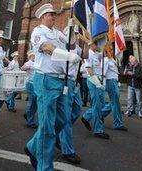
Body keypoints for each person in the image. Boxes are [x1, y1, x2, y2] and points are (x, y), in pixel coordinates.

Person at [24, 4, 81, 170]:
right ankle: (44, 166)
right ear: (42, 17)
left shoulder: (57, 33)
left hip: (61, 80)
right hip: (46, 80)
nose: (54, 17)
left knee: (63, 119)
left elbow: (70, 44)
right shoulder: (38, 32)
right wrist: (68, 55)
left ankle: (33, 145)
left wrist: (71, 30)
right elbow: (47, 48)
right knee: (48, 125)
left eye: (54, 14)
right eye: (50, 14)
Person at [57, 27, 83, 164]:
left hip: (75, 82)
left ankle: (57, 132)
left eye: (77, 35)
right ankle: (67, 150)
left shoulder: (78, 48)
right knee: (66, 116)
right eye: (74, 34)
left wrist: (87, 39)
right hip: (65, 81)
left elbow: (85, 56)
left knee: (77, 110)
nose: (76, 37)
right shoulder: (62, 46)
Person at [80, 41, 110, 139]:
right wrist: (98, 83)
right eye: (96, 44)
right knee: (97, 105)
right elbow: (89, 70)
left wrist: (106, 43)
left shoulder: (96, 54)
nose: (98, 46)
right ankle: (98, 130)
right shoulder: (89, 54)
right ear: (91, 45)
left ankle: (86, 116)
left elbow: (104, 54)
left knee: (101, 104)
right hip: (93, 81)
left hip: (98, 81)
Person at [101, 54, 128, 130]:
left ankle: (100, 114)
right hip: (110, 81)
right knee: (115, 103)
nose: (111, 51)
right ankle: (117, 123)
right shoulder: (106, 60)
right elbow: (103, 73)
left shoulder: (113, 60)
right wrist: (103, 84)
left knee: (114, 102)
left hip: (114, 81)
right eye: (110, 50)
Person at [21, 50, 37, 129]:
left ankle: (28, 114)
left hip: (36, 84)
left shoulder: (37, 63)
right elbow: (22, 68)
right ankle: (30, 121)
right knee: (32, 102)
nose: (35, 57)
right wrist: (27, 67)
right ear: (31, 56)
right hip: (30, 84)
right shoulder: (29, 63)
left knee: (35, 103)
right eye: (34, 56)